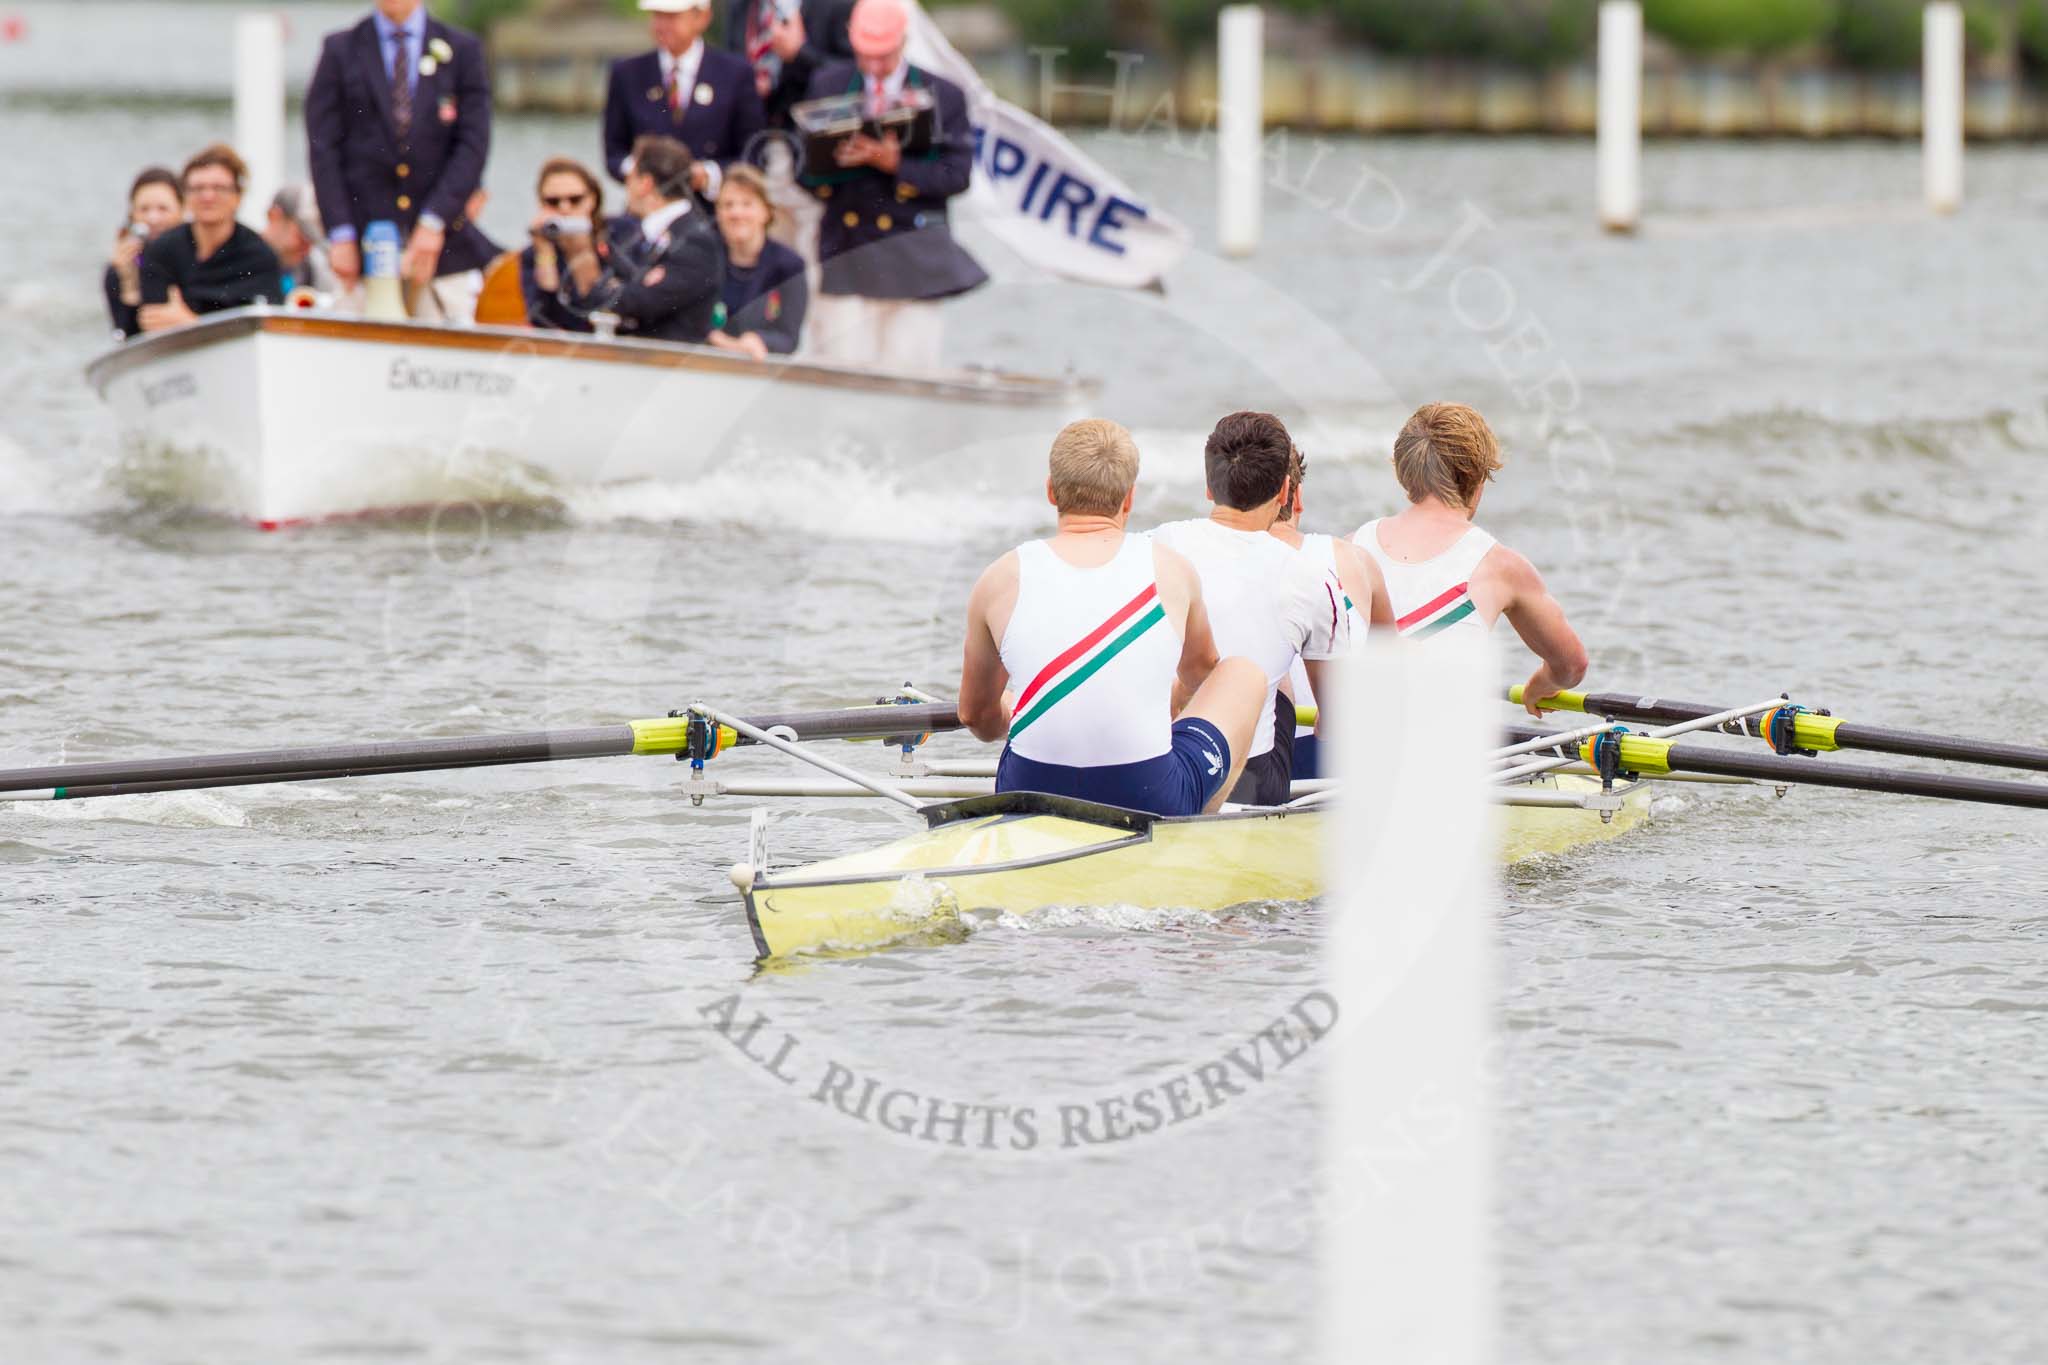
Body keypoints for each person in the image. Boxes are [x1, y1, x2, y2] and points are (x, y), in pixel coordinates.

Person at [957, 419, 1270, 818]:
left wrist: (1014, 707)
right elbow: (1202, 673)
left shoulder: (999, 577)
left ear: (1051, 492)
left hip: (1027, 791)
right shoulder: (1171, 569)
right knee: (1243, 673)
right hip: (1147, 794)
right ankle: (1193, 832)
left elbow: (976, 718)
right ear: (1129, 499)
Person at [1149, 412, 1353, 807]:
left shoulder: (1155, 544)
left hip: (1153, 764)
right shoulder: (1313, 576)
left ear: (1209, 487)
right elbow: (1335, 718)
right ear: (1284, 493)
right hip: (1250, 784)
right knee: (1281, 675)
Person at [1352, 402, 1589, 718]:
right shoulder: (1501, 566)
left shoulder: (1350, 546)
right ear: (1478, 479)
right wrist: (1540, 685)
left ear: (1403, 475)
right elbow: (1572, 665)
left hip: (1335, 740)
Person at [801, 0, 985, 373]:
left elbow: (957, 175)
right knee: (841, 368)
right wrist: (836, 160)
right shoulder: (828, 85)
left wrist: (896, 164)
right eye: (865, 56)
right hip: (847, 248)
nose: (873, 67)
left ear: (903, 42)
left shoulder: (943, 95)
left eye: (882, 57)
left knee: (909, 369)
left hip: (913, 253)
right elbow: (803, 173)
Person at [305, 0, 499, 322]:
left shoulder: (462, 49)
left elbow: (473, 144)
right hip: (362, 239)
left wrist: (434, 221)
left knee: (442, 347)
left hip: (443, 244)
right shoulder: (340, 49)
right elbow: (323, 147)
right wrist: (340, 233)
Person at [1268, 443, 1393, 781]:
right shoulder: (1353, 559)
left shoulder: (1210, 562)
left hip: (1250, 760)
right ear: (1296, 498)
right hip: (1335, 755)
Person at [559, 135, 724, 345]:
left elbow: (633, 303)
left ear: (645, 184)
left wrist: (583, 256)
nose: (626, 185)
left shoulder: (695, 241)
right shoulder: (645, 233)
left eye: (629, 177)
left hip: (672, 367)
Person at [603, 0, 766, 198]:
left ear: (702, 17)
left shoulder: (735, 73)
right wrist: (642, 171)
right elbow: (614, 153)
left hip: (713, 210)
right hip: (649, 206)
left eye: (672, 17)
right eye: (657, 15)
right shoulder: (627, 73)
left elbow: (753, 151)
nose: (662, 25)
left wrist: (708, 174)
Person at [136, 145, 284, 333]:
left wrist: (191, 324)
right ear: (185, 196)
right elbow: (152, 319)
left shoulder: (259, 256)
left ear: (237, 196)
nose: (207, 196)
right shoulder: (162, 250)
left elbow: (265, 327)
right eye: (198, 188)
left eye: (219, 188)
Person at [519, 157, 641, 332]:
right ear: (541, 204)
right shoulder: (535, 252)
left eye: (575, 200)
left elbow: (631, 297)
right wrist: (544, 252)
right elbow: (543, 319)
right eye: (553, 202)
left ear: (592, 199)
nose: (565, 208)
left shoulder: (622, 231)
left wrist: (583, 251)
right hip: (573, 343)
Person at [708, 164, 807, 358]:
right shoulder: (704, 257)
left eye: (747, 204)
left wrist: (757, 340)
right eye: (728, 205)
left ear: (766, 211)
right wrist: (717, 340)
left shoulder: (789, 265)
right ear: (718, 213)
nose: (736, 213)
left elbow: (789, 337)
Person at [724, 0, 853, 128]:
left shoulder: (835, 5)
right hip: (754, 128)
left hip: (807, 127)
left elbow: (854, 75)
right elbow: (733, 61)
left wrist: (800, 54)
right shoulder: (742, 5)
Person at [105, 167, 184, 339]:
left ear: (182, 210)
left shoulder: (196, 254)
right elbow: (125, 337)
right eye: (144, 209)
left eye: (163, 209)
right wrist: (129, 284)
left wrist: (188, 322)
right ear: (132, 214)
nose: (153, 218)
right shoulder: (119, 268)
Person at [264, 184, 338, 298]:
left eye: (314, 239)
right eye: (303, 236)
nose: (308, 247)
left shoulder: (310, 270)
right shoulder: (242, 260)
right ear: (274, 216)